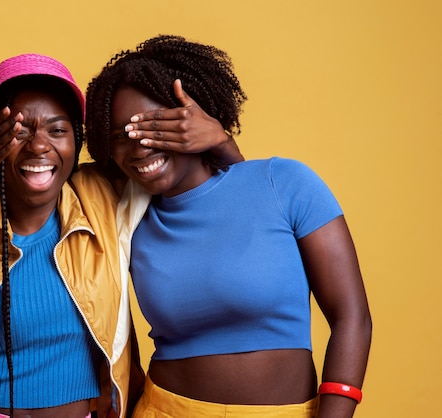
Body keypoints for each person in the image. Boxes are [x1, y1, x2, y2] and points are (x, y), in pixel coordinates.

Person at [0, 52, 241, 418]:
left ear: (79, 141)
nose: (39, 146)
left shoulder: (106, 198)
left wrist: (220, 140)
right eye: (18, 131)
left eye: (57, 130)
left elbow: (222, 194)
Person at [84, 35, 372, 418]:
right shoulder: (123, 215)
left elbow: (352, 316)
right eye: (121, 136)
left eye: (153, 125)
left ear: (193, 115)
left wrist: (222, 141)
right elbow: (36, 190)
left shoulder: (284, 183)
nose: (138, 147)